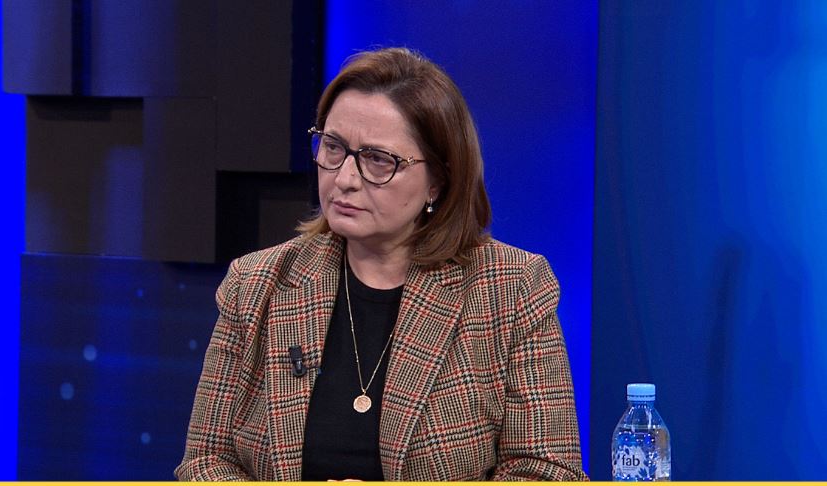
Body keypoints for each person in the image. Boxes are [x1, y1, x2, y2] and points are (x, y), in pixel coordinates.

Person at [175, 47, 587, 481]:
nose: (345, 179)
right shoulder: (256, 284)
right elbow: (206, 462)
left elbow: (547, 472)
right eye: (333, 147)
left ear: (438, 180)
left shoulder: (510, 288)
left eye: (378, 160)